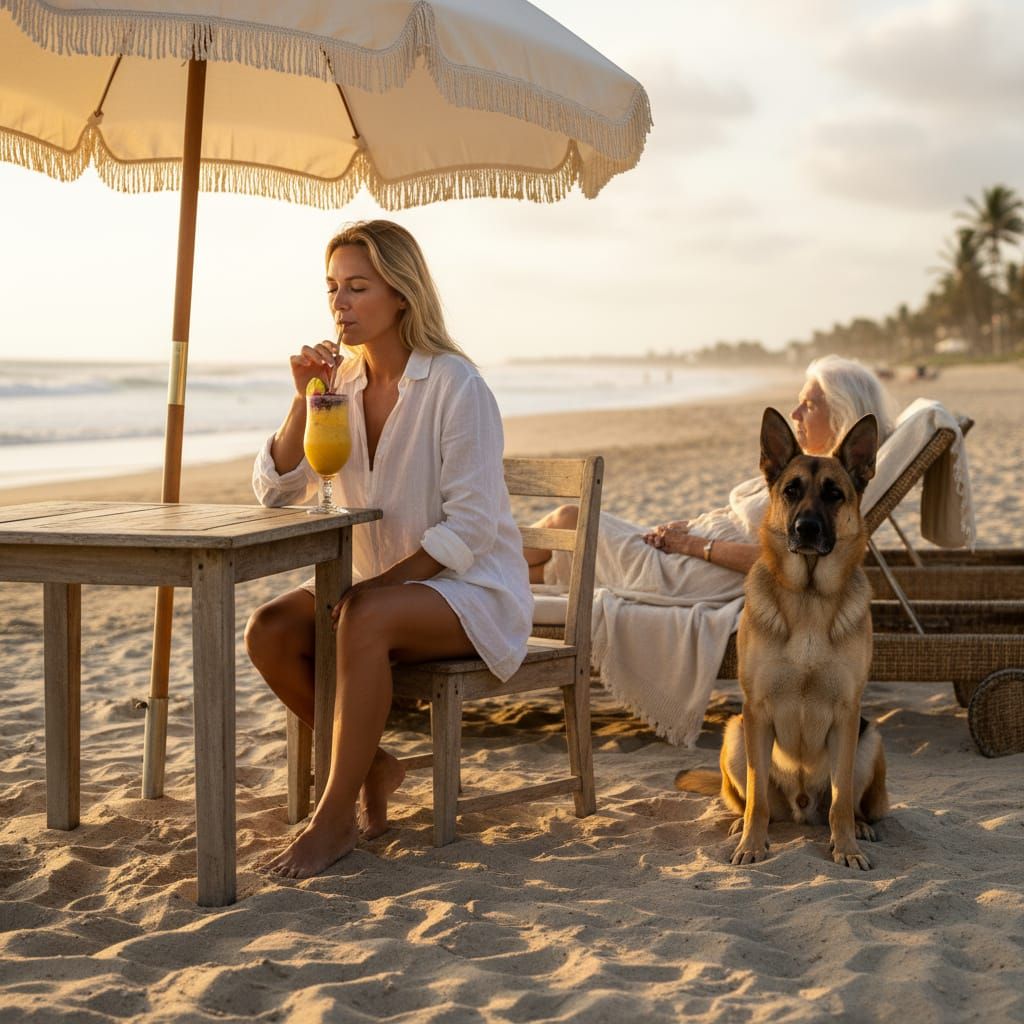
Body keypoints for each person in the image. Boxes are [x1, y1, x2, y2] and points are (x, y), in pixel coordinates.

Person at [246, 220, 533, 878]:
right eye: (332, 289)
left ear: (401, 294)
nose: (339, 303)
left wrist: (378, 592)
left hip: (471, 590)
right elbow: (276, 490)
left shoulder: (457, 387)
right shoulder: (335, 385)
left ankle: (333, 816)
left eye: (357, 287)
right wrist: (303, 401)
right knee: (269, 630)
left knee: (362, 616)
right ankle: (374, 765)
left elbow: (471, 528)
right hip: (375, 591)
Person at [525, 355, 897, 748]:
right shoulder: (798, 465)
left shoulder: (834, 487)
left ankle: (475, 575)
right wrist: (686, 526)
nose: (796, 411)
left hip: (693, 574)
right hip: (686, 553)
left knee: (568, 519)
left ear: (839, 411)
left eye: (809, 403)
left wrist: (693, 544)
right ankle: (483, 580)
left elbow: (777, 557)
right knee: (552, 562)